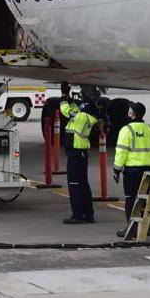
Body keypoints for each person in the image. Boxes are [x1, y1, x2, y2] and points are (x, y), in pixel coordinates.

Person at [112, 101, 150, 237]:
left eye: (130, 109)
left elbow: (121, 152)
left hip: (132, 172)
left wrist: (116, 169)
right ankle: (146, 229)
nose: (128, 111)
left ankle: (132, 229)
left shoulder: (127, 130)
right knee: (145, 201)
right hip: (148, 170)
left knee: (131, 200)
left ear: (132, 113)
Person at [62, 86, 100, 224]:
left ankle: (78, 215)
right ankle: (88, 214)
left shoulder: (83, 116)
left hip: (76, 153)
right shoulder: (88, 113)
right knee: (83, 184)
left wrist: (64, 98)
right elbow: (76, 110)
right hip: (80, 153)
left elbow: (67, 112)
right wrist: (70, 100)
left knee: (75, 184)